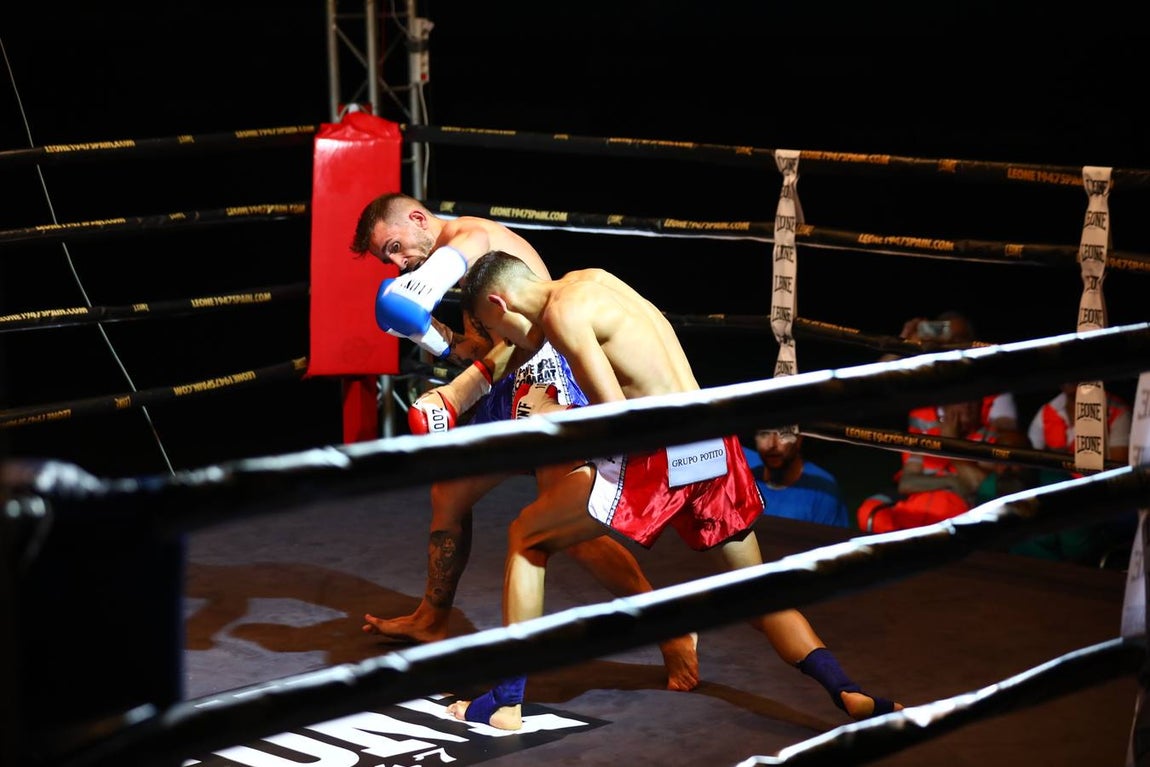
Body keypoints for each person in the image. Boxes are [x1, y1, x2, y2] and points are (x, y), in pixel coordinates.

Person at [446, 250, 901, 729]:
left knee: (526, 536)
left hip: (660, 452)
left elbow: (619, 420)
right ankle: (848, 691)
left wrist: (550, 422)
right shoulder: (594, 279)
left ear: (498, 304)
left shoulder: (562, 314)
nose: (500, 342)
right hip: (712, 440)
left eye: (490, 329)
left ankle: (508, 702)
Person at [350, 193, 699, 690]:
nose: (397, 263)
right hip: (506, 384)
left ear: (417, 218)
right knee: (449, 495)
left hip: (546, 383)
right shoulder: (459, 261)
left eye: (394, 247)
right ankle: (432, 618)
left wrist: (448, 383)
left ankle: (669, 627)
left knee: (566, 530)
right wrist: (428, 334)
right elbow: (481, 348)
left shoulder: (469, 237)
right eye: (388, 258)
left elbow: (514, 335)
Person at [1011, 380, 1134, 565]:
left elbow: (1118, 470)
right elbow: (1030, 464)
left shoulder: (1117, 411)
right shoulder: (1048, 410)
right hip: (1054, 493)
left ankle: (1076, 563)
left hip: (1098, 493)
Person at [856, 399, 996, 533]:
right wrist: (951, 481)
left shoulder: (988, 437)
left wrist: (951, 443)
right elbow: (907, 483)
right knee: (869, 511)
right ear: (946, 406)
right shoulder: (927, 434)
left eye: (973, 401)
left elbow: (977, 484)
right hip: (915, 509)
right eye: (961, 401)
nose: (967, 407)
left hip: (953, 514)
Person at [741, 429, 850, 527]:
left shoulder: (822, 489)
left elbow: (833, 541)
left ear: (799, 439)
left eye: (783, 434)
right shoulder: (744, 476)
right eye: (764, 434)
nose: (772, 444)